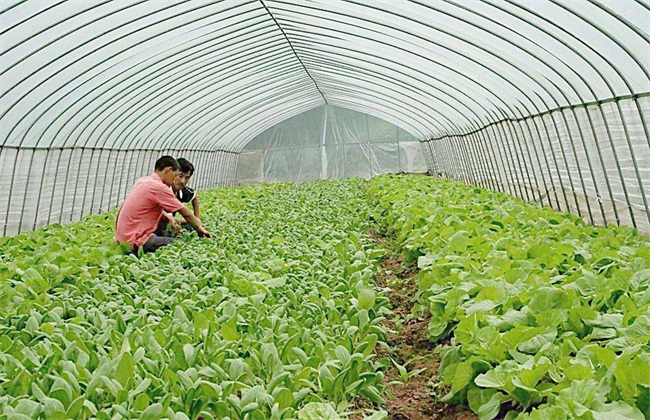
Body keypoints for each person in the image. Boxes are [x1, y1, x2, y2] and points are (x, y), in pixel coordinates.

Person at [115, 156, 211, 253]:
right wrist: (200, 230)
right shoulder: (159, 187)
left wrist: (168, 218)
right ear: (168, 170)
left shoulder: (143, 180)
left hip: (123, 238)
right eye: (175, 175)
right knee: (180, 243)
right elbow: (185, 213)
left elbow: (147, 209)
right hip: (135, 241)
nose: (175, 179)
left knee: (178, 227)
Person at [156, 158, 201, 235]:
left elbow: (194, 197)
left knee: (190, 227)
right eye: (180, 176)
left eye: (187, 178)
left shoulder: (182, 191)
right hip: (156, 226)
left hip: (169, 223)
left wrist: (197, 218)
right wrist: (192, 221)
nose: (183, 181)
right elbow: (167, 219)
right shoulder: (163, 189)